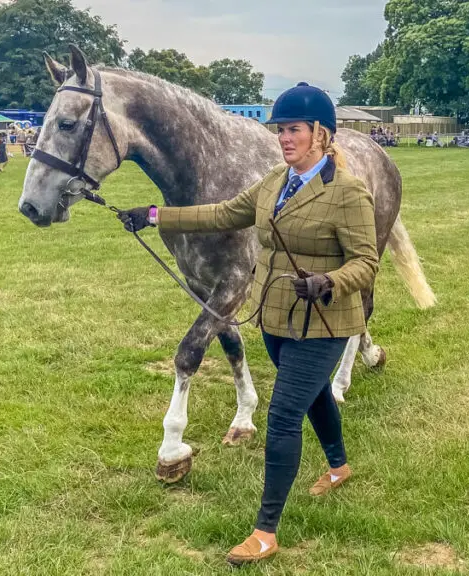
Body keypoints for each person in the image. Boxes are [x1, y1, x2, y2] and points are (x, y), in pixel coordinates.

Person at [117, 82, 378, 566]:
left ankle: (265, 530)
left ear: (321, 134)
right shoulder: (274, 183)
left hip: (324, 321)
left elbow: (366, 263)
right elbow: (221, 213)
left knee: (282, 417)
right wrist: (154, 215)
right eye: (280, 129)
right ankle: (339, 466)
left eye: (294, 129)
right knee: (315, 395)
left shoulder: (348, 193)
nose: (284, 137)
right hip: (276, 318)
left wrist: (329, 281)